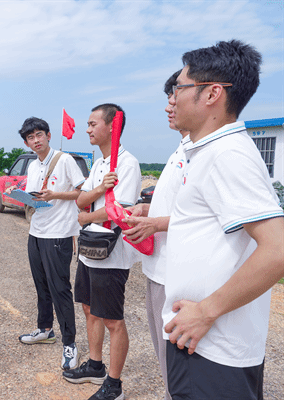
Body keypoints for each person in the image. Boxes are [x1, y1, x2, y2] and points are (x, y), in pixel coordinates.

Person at [161, 40, 284, 399]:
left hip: (213, 350)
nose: (173, 99)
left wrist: (206, 311)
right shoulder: (209, 151)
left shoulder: (227, 155)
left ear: (212, 94)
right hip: (199, 341)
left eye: (179, 88)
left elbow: (277, 248)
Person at [63, 104, 140, 400]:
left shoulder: (127, 163)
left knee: (112, 320)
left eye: (93, 124)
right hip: (88, 249)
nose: (88, 129)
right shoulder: (99, 164)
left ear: (112, 126)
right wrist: (95, 194)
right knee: (88, 308)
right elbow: (81, 199)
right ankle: (95, 366)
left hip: (111, 252)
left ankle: (114, 384)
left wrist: (85, 217)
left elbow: (119, 209)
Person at [121, 71, 191, 400]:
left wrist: (155, 224)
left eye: (175, 96)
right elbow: (179, 206)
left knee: (178, 364)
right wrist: (148, 211)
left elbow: (204, 219)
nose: (169, 106)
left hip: (176, 274)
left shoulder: (203, 152)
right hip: (157, 268)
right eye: (168, 98)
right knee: (165, 359)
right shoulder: (180, 150)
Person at [12, 117, 85, 371]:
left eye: (39, 135)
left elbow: (82, 192)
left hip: (59, 233)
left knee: (59, 289)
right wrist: (22, 197)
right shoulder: (33, 165)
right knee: (41, 286)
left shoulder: (65, 160)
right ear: (26, 142)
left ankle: (70, 343)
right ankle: (45, 329)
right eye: (30, 138)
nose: (36, 140)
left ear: (48, 135)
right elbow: (36, 196)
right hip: (37, 232)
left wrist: (56, 195)